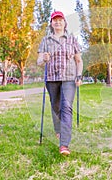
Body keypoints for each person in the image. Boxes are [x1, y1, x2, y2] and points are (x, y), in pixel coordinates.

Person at [37, 11, 83, 155]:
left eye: (60, 20)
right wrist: (43, 58)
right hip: (51, 78)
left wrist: (79, 75)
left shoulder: (72, 39)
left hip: (69, 78)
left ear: (64, 23)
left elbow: (79, 60)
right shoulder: (46, 40)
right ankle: (58, 129)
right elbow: (39, 62)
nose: (57, 22)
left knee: (66, 107)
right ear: (51, 24)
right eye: (54, 20)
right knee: (56, 106)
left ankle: (64, 144)